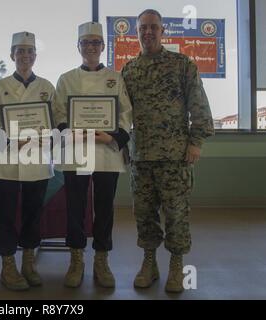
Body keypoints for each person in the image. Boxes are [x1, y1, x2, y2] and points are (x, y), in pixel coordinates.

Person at [121, 9, 214, 293]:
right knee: (144, 215)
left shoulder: (182, 64)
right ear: (136, 33)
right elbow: (123, 115)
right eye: (142, 28)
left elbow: (199, 106)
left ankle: (176, 266)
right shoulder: (129, 70)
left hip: (175, 156)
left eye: (153, 27)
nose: (147, 32)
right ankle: (149, 263)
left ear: (163, 31)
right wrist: (125, 145)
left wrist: (196, 141)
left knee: (176, 215)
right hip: (142, 158)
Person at [52, 22, 132, 288]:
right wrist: (68, 131)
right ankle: (76, 259)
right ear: (78, 47)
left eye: (95, 43)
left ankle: (101, 259)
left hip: (107, 152)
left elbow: (125, 113)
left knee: (104, 209)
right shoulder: (66, 78)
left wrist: (114, 136)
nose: (90, 47)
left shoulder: (115, 77)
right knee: (75, 207)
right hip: (76, 151)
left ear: (102, 47)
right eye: (85, 43)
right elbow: (59, 113)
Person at [0, 31, 55, 291]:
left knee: (33, 214)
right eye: (20, 51)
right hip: (7, 161)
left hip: (37, 158)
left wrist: (44, 137)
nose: (25, 55)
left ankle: (28, 261)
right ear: (12, 55)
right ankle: (8, 265)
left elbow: (55, 121)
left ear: (35, 55)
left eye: (29, 51)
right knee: (4, 214)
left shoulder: (47, 86)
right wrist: (10, 141)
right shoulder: (0, 87)